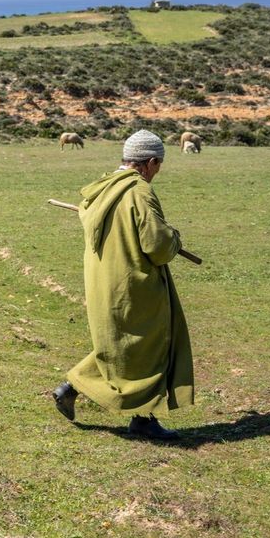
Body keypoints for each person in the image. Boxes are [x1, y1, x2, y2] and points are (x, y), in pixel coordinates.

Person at [53, 130, 194, 439]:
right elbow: (156, 244)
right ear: (150, 162)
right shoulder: (138, 191)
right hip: (133, 283)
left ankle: (73, 389)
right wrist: (174, 237)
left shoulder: (102, 188)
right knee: (149, 346)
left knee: (122, 346)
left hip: (104, 280)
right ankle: (142, 421)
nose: (157, 172)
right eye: (159, 165)